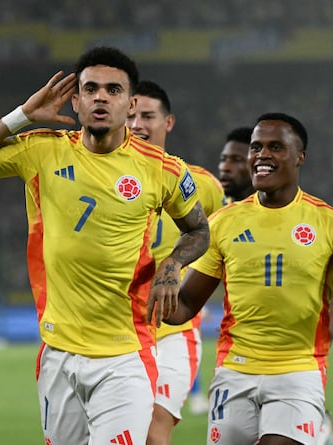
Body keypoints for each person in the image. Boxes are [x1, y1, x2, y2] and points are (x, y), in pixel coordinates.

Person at [0, 46, 210, 445]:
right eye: (91, 88)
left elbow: (198, 231)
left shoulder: (163, 169)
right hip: (58, 353)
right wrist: (23, 115)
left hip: (125, 357)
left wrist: (172, 266)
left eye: (114, 90)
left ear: (130, 102)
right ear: (76, 100)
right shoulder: (42, 149)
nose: (101, 97)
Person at [164, 113, 333, 445]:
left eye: (275, 147)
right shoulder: (224, 223)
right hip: (235, 370)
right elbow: (185, 304)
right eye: (256, 147)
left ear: (300, 157)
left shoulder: (332, 223)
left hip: (299, 369)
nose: (261, 155)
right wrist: (141, 297)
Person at [217, 125, 333, 444]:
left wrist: (332, 306)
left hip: (296, 362)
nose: (226, 167)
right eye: (224, 159)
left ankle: (315, 424)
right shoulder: (220, 213)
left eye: (234, 159)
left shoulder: (310, 217)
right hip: (237, 361)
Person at [126, 80, 224, 444]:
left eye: (148, 116)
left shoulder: (202, 186)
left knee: (154, 427)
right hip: (115, 331)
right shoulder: (99, 178)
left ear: (168, 122)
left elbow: (228, 243)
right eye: (131, 115)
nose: (137, 124)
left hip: (172, 330)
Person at [218, 127, 255, 203]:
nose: (225, 168)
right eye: (223, 159)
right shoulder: (217, 210)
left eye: (236, 160)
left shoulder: (277, 211)